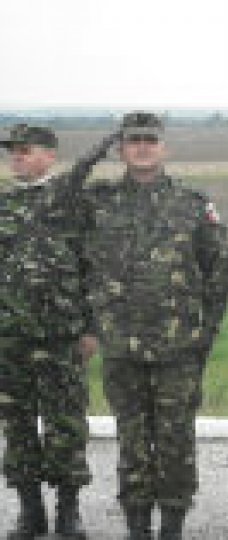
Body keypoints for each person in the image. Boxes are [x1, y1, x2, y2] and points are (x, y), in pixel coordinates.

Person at [75, 112, 228, 539]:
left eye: (150, 140)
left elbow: (221, 272)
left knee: (176, 442)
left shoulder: (192, 202)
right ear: (120, 148)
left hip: (178, 350)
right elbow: (66, 230)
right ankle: (137, 527)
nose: (142, 147)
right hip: (121, 348)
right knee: (131, 443)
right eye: (132, 141)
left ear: (165, 147)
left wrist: (206, 332)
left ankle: (172, 527)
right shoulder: (97, 201)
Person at [0, 124, 113, 539]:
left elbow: (95, 269)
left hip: (62, 338)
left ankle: (69, 512)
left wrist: (92, 328)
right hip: (10, 339)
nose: (15, 157)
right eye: (12, 152)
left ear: (49, 154)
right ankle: (30, 512)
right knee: (17, 427)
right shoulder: (4, 205)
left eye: (24, 151)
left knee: (66, 426)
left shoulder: (72, 204)